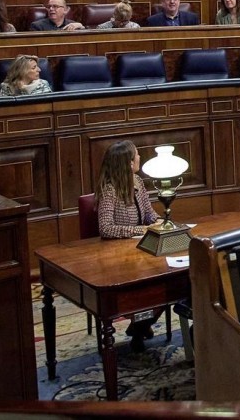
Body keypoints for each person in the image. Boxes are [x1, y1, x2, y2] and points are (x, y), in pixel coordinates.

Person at [93, 140, 160, 347]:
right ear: (128, 163)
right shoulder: (109, 189)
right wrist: (139, 230)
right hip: (118, 256)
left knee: (164, 280)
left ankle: (140, 325)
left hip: (140, 249)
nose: (139, 158)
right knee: (143, 284)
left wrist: (160, 222)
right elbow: (105, 228)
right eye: (137, 155)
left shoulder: (138, 181)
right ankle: (140, 327)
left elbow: (148, 214)